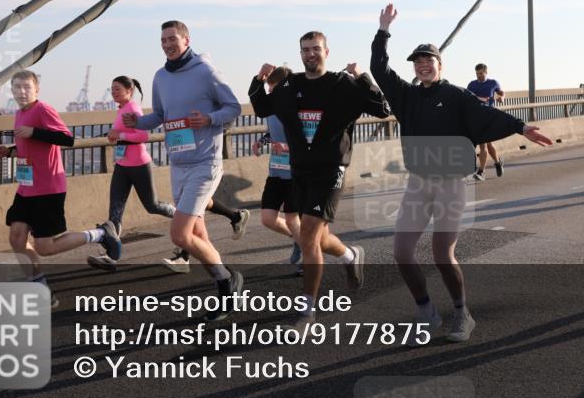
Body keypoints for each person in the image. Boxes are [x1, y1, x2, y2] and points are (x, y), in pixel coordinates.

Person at [371, 4, 552, 343]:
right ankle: (426, 311)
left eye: (429, 60)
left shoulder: (455, 95)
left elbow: (487, 115)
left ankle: (461, 312)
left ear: (440, 65)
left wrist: (521, 127)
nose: (423, 65)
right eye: (417, 62)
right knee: (401, 253)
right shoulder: (405, 96)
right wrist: (383, 31)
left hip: (451, 183)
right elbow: (378, 69)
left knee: (442, 254)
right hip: (418, 183)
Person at [249, 30, 390, 328]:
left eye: (316, 49)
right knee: (319, 238)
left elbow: (382, 109)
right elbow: (262, 107)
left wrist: (363, 77)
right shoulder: (290, 85)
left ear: (326, 52)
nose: (310, 54)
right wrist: (258, 80)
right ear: (300, 54)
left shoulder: (343, 84)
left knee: (309, 237)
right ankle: (350, 255)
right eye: (305, 50)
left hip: (330, 169)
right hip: (300, 170)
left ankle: (307, 312)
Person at [123, 20, 244, 321]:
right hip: (178, 164)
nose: (167, 44)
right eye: (163, 40)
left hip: (205, 162)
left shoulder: (205, 71)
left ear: (186, 40)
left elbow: (233, 107)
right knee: (197, 233)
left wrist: (209, 119)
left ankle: (228, 283)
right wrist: (138, 123)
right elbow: (160, 116)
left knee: (179, 234)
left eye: (173, 39)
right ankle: (226, 280)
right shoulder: (160, 77)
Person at [0, 71, 121, 307]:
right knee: (16, 237)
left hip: (48, 187)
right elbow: (30, 148)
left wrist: (34, 132)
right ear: (12, 91)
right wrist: (9, 151)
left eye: (27, 87)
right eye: (17, 87)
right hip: (27, 186)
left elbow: (67, 139)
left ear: (37, 90)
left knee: (45, 247)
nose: (22, 92)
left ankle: (101, 234)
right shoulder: (19, 113)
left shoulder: (43, 109)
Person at [87, 76, 177, 271]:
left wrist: (119, 135)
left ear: (129, 90)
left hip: (139, 165)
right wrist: (114, 137)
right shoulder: (121, 109)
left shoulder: (132, 109)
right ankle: (112, 256)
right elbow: (123, 135)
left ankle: (178, 215)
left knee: (152, 206)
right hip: (122, 165)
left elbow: (143, 135)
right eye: (112, 89)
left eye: (117, 89)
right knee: (115, 211)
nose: (113, 92)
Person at [251, 66, 302, 274]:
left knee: (292, 218)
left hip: (295, 173)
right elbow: (272, 133)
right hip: (276, 171)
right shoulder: (272, 108)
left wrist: (286, 147)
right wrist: (260, 142)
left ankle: (307, 256)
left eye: (273, 90)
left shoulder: (298, 108)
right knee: (267, 219)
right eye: (269, 90)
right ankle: (298, 238)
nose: (271, 95)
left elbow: (308, 141)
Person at [466, 63, 505, 181]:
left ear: (486, 72)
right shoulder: (472, 84)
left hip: (489, 116)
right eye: (477, 74)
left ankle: (484, 170)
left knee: (487, 144)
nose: (479, 76)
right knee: (485, 144)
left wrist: (501, 98)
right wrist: (479, 99)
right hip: (477, 116)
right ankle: (495, 164)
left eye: (481, 73)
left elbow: (501, 92)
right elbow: (467, 97)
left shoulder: (493, 83)